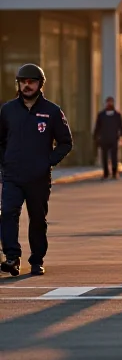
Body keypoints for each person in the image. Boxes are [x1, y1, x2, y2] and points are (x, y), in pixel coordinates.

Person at [0, 64, 72, 276]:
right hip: (12, 175)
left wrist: (47, 162)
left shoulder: (52, 111)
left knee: (38, 219)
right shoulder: (7, 110)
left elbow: (66, 143)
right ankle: (12, 258)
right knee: (8, 215)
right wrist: (5, 162)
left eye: (31, 81)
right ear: (19, 84)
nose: (27, 85)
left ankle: (37, 259)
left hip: (39, 177)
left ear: (40, 84)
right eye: (23, 82)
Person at [93, 96, 122, 180]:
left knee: (114, 157)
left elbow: (121, 126)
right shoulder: (101, 115)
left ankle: (114, 172)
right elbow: (97, 126)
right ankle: (106, 173)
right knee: (104, 157)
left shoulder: (117, 115)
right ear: (106, 103)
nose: (109, 104)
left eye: (111, 102)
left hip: (114, 138)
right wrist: (95, 136)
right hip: (104, 138)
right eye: (108, 102)